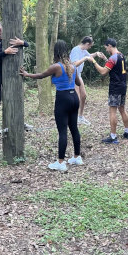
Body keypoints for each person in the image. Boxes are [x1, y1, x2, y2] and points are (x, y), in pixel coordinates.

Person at [20, 40, 83, 172]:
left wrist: (26, 74)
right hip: (74, 98)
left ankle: (60, 162)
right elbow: (77, 83)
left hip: (63, 99)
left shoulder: (56, 66)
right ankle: (77, 157)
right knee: (74, 128)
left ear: (56, 52)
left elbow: (41, 75)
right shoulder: (72, 66)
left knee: (62, 131)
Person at [0, 19, 32, 134]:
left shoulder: (8, 39)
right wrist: (5, 52)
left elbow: (27, 45)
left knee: (13, 95)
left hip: (8, 72)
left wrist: (22, 43)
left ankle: (19, 121)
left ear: (2, 26)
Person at [86, 38, 128, 144]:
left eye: (106, 47)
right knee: (122, 109)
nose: (106, 49)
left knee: (113, 111)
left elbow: (103, 72)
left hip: (115, 87)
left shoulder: (113, 58)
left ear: (110, 46)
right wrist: (105, 59)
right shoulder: (120, 55)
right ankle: (127, 132)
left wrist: (93, 61)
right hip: (123, 85)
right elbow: (114, 67)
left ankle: (113, 137)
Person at [69, 36, 96, 126]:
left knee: (83, 96)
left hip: (78, 75)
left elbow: (89, 56)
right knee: (76, 97)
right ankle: (74, 117)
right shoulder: (75, 50)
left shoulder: (84, 50)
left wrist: (97, 53)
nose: (89, 48)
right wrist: (85, 59)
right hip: (73, 75)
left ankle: (80, 117)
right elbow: (74, 64)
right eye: (90, 46)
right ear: (87, 44)